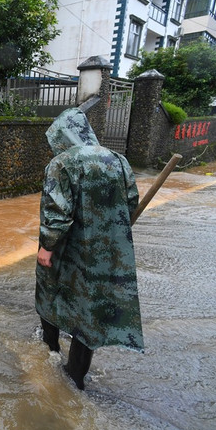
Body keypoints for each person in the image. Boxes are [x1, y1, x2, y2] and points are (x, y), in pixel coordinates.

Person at [35, 107, 144, 391]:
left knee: (50, 291)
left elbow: (57, 212)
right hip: (105, 251)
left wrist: (47, 246)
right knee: (89, 307)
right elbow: (131, 201)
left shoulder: (62, 163)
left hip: (67, 249)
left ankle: (50, 348)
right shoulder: (118, 160)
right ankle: (76, 374)